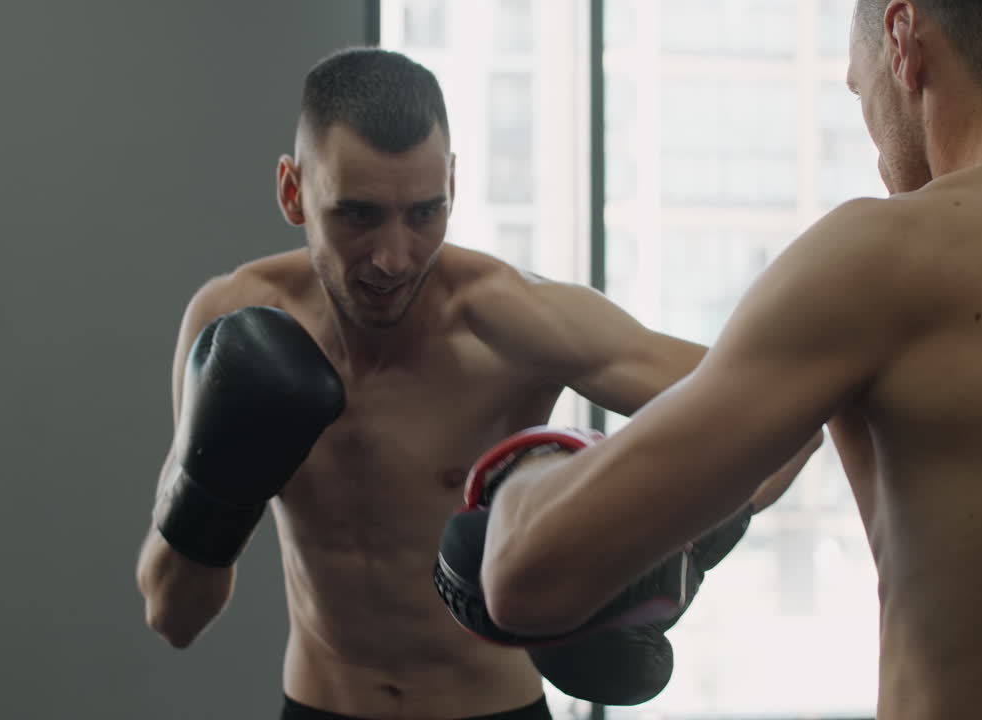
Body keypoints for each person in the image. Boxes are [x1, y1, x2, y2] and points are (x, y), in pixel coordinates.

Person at [456, 1, 982, 717]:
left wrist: (533, 472)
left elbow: (523, 574)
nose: (871, 139)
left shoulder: (883, 259)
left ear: (902, 43)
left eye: (856, 88)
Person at [134, 48, 820, 719]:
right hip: (321, 705)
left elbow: (790, 406)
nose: (393, 257)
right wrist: (212, 495)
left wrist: (680, 547)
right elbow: (173, 612)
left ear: (453, 186)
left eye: (424, 212)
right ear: (293, 191)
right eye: (359, 214)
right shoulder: (231, 322)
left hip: (496, 710)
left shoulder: (518, 323)